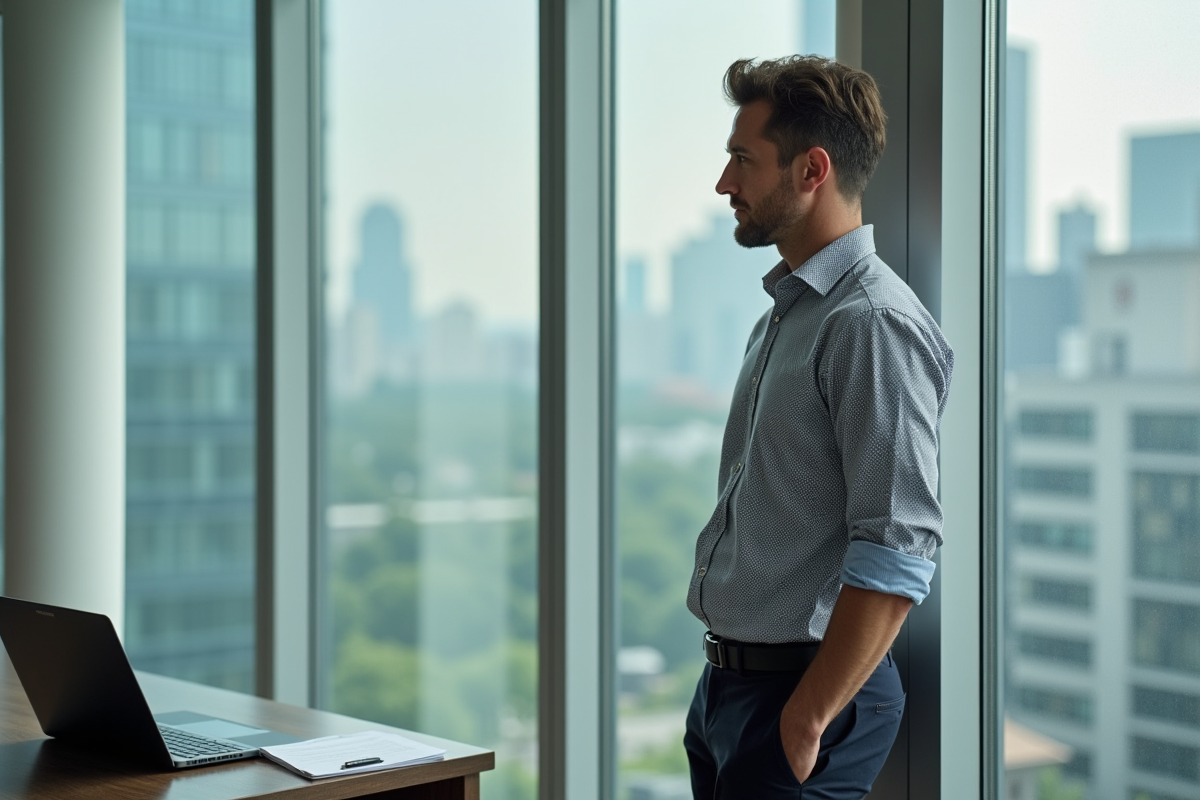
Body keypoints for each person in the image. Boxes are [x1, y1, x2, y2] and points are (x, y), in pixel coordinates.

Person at [682, 55, 954, 799]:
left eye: (743, 158)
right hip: (730, 693)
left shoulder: (868, 323)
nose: (724, 183)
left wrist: (806, 718)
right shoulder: (791, 315)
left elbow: (899, 543)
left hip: (802, 704)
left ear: (812, 170)